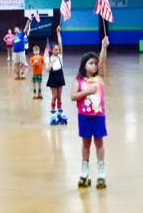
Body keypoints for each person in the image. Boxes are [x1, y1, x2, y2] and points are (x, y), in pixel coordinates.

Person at [72, 35, 109, 189]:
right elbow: (73, 96)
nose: (94, 66)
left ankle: (101, 173)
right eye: (91, 63)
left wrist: (103, 48)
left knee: (99, 143)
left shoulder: (100, 78)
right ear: (84, 65)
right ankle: (84, 172)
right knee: (86, 144)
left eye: (95, 63)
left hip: (98, 117)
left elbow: (102, 61)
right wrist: (87, 92)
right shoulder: (79, 80)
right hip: (84, 117)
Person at [46, 26, 67, 125]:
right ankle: (53, 113)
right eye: (55, 50)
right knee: (54, 96)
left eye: (58, 49)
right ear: (51, 50)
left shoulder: (60, 56)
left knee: (59, 96)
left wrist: (58, 33)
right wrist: (51, 62)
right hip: (53, 76)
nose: (57, 51)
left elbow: (60, 43)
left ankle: (60, 111)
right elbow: (47, 70)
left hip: (60, 75)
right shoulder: (48, 58)